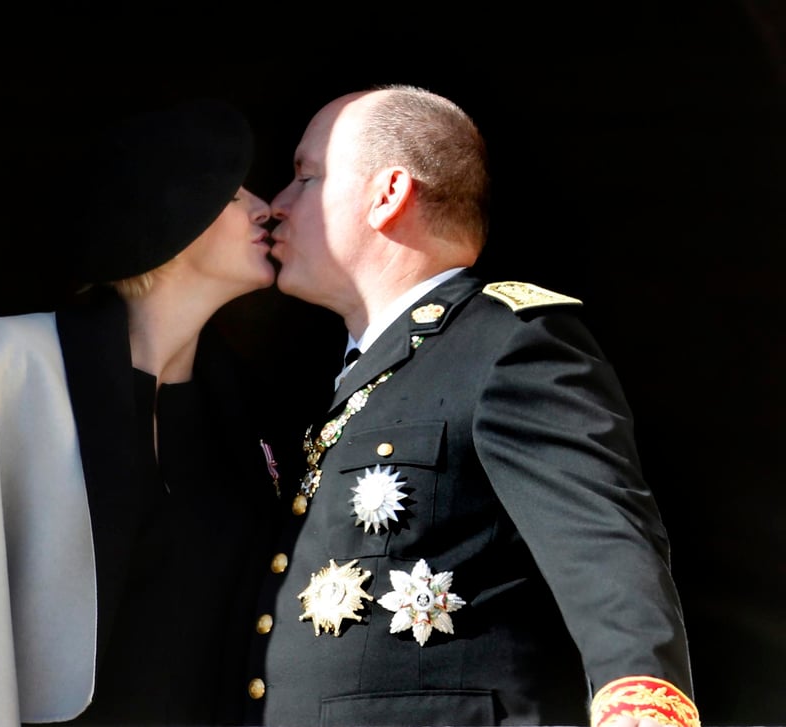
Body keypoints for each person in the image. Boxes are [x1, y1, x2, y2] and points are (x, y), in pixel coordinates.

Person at [240, 84, 701, 727]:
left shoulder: (508, 342)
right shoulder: (349, 374)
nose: (275, 206)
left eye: (306, 177)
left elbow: (603, 551)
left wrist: (641, 709)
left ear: (388, 194)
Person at [0, 98, 286, 726]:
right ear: (165, 212)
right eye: (232, 190)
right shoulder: (13, 361)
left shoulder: (250, 407)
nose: (262, 206)